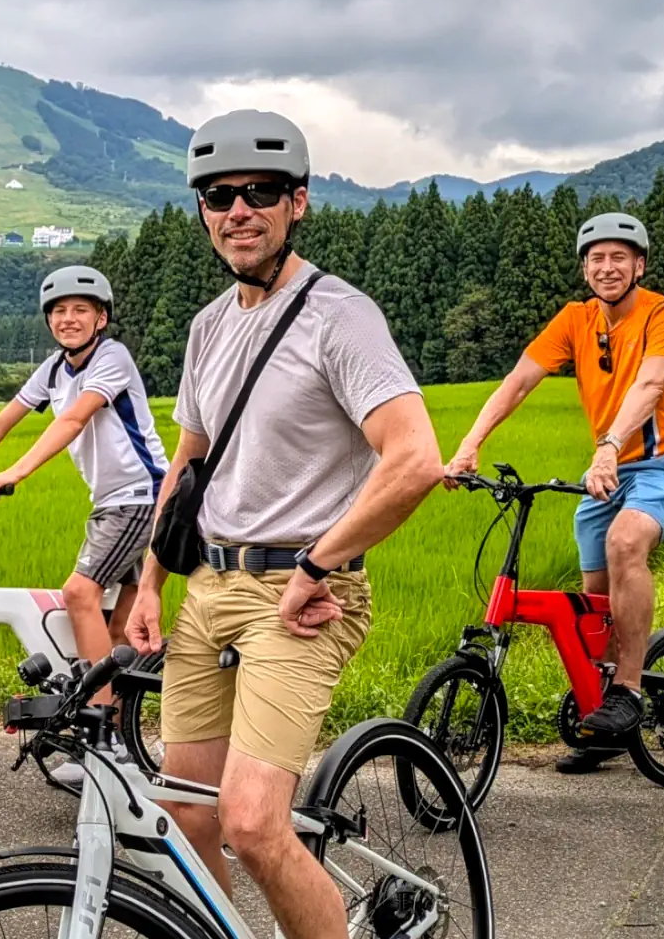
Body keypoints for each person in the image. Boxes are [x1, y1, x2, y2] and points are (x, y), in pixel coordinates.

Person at [126, 110, 443, 939]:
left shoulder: (339, 316)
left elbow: (414, 460)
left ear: (297, 202)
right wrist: (152, 582)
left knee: (253, 824)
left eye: (259, 192)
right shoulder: (207, 327)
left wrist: (318, 564)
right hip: (207, 589)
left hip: (300, 599)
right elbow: (186, 469)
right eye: (218, 195)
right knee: (184, 815)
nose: (238, 210)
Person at [444, 211, 664, 774]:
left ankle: (628, 693)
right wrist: (469, 444)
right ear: (585, 268)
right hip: (608, 474)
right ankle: (600, 711)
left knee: (625, 542)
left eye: (619, 257)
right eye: (596, 259)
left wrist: (609, 445)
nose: (607, 268)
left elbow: (652, 383)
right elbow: (518, 381)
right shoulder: (575, 320)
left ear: (640, 264)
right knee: (595, 609)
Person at [0, 264, 168, 784]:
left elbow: (73, 419)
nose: (68, 319)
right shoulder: (52, 370)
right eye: (58, 311)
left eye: (80, 310)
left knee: (80, 593)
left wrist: (16, 472)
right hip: (113, 501)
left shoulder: (112, 358)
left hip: (142, 498)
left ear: (101, 317)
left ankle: (103, 744)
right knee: (116, 633)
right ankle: (121, 736)